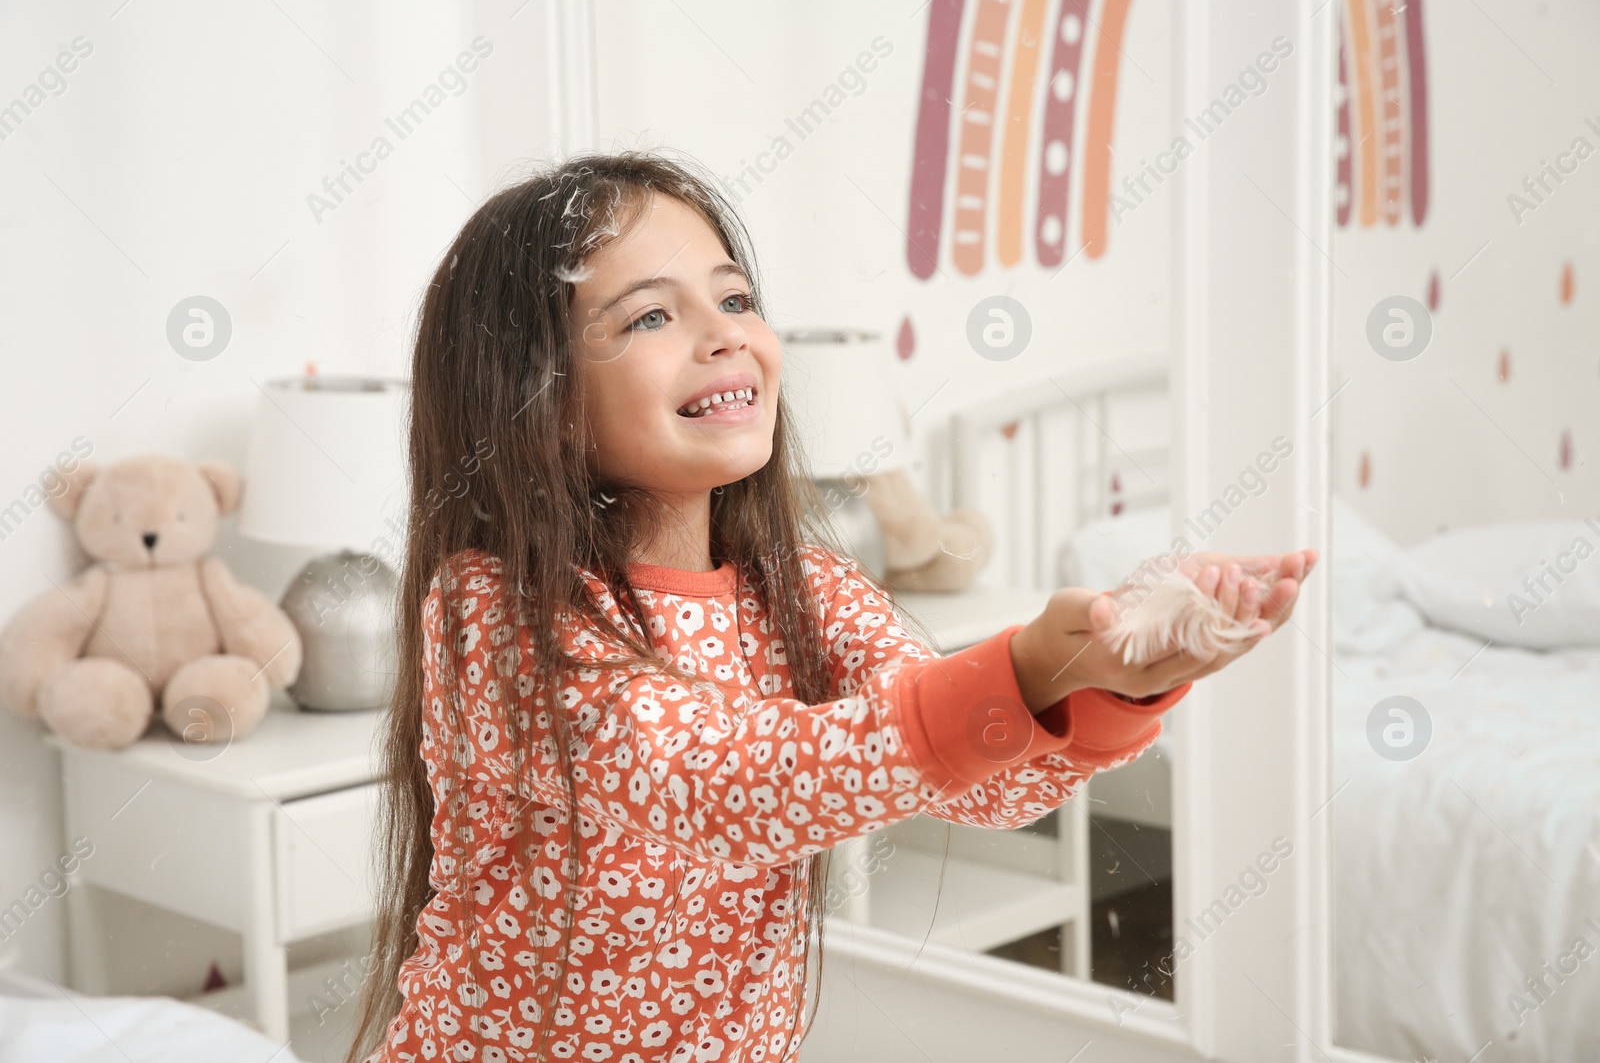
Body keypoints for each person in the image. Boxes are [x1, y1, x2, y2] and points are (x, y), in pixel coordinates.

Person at [347, 151, 1316, 1063]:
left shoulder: (798, 586)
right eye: (650, 317)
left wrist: (1097, 680)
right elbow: (722, 778)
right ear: (536, 398)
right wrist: (1020, 664)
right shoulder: (491, 613)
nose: (726, 332)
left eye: (734, 297)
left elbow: (974, 784)